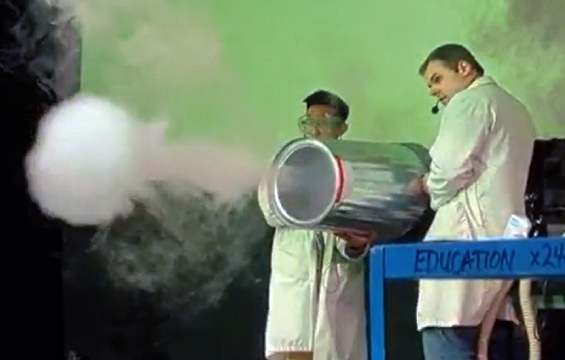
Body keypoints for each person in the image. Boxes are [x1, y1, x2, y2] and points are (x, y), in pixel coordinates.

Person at [413, 43, 536, 360]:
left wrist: (428, 185)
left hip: (461, 251)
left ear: (464, 69)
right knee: (493, 336)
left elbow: (447, 171)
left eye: (437, 79)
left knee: (449, 335)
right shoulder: (516, 109)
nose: (434, 91)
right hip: (502, 246)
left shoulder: (469, 102)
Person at [257, 90, 373, 360]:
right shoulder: (286, 162)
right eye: (309, 120)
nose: (315, 127)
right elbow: (270, 210)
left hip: (336, 294)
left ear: (342, 127)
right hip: (295, 295)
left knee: (335, 349)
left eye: (325, 120)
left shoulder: (354, 169)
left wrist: (354, 247)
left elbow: (355, 237)